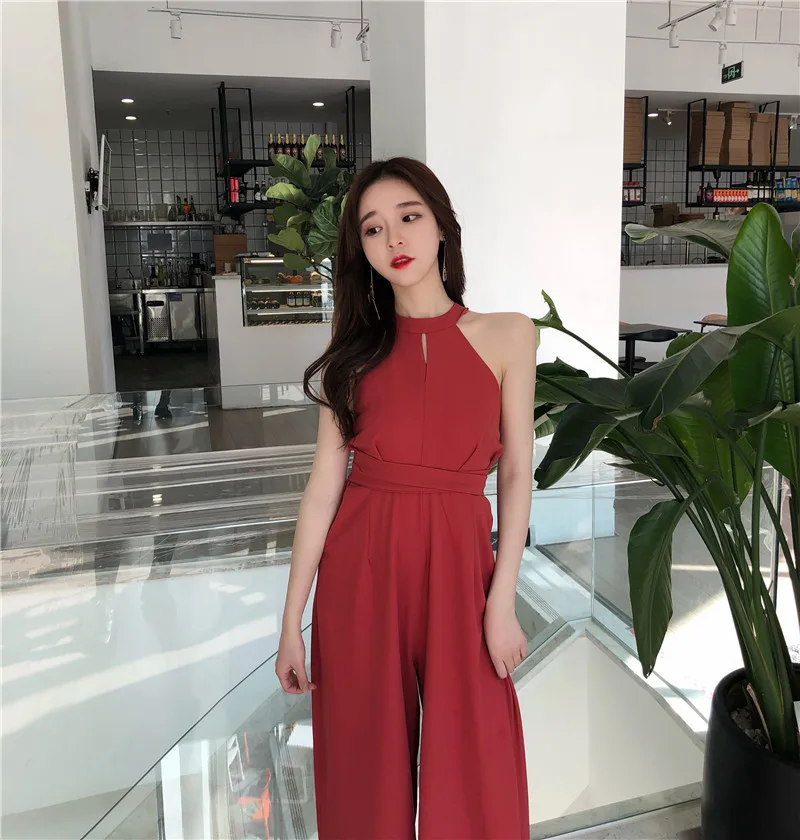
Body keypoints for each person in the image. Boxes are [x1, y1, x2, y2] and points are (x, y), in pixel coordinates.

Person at [275, 158, 536, 839]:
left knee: (477, 769)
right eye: (373, 228)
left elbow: (515, 474)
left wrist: (502, 599)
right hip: (361, 573)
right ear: (359, 249)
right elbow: (322, 490)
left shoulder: (510, 335)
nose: (394, 237)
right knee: (364, 775)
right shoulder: (350, 357)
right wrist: (291, 621)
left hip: (462, 574)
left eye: (409, 217)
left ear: (442, 227)